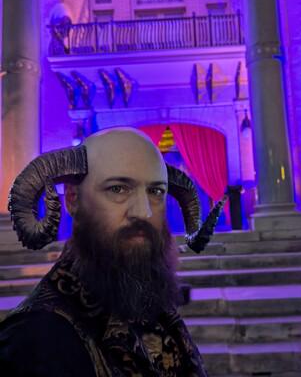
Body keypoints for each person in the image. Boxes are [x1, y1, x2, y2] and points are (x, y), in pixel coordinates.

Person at [0, 128, 226, 376]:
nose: (143, 212)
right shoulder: (33, 340)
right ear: (73, 199)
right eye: (118, 189)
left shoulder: (151, 305)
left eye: (155, 191)